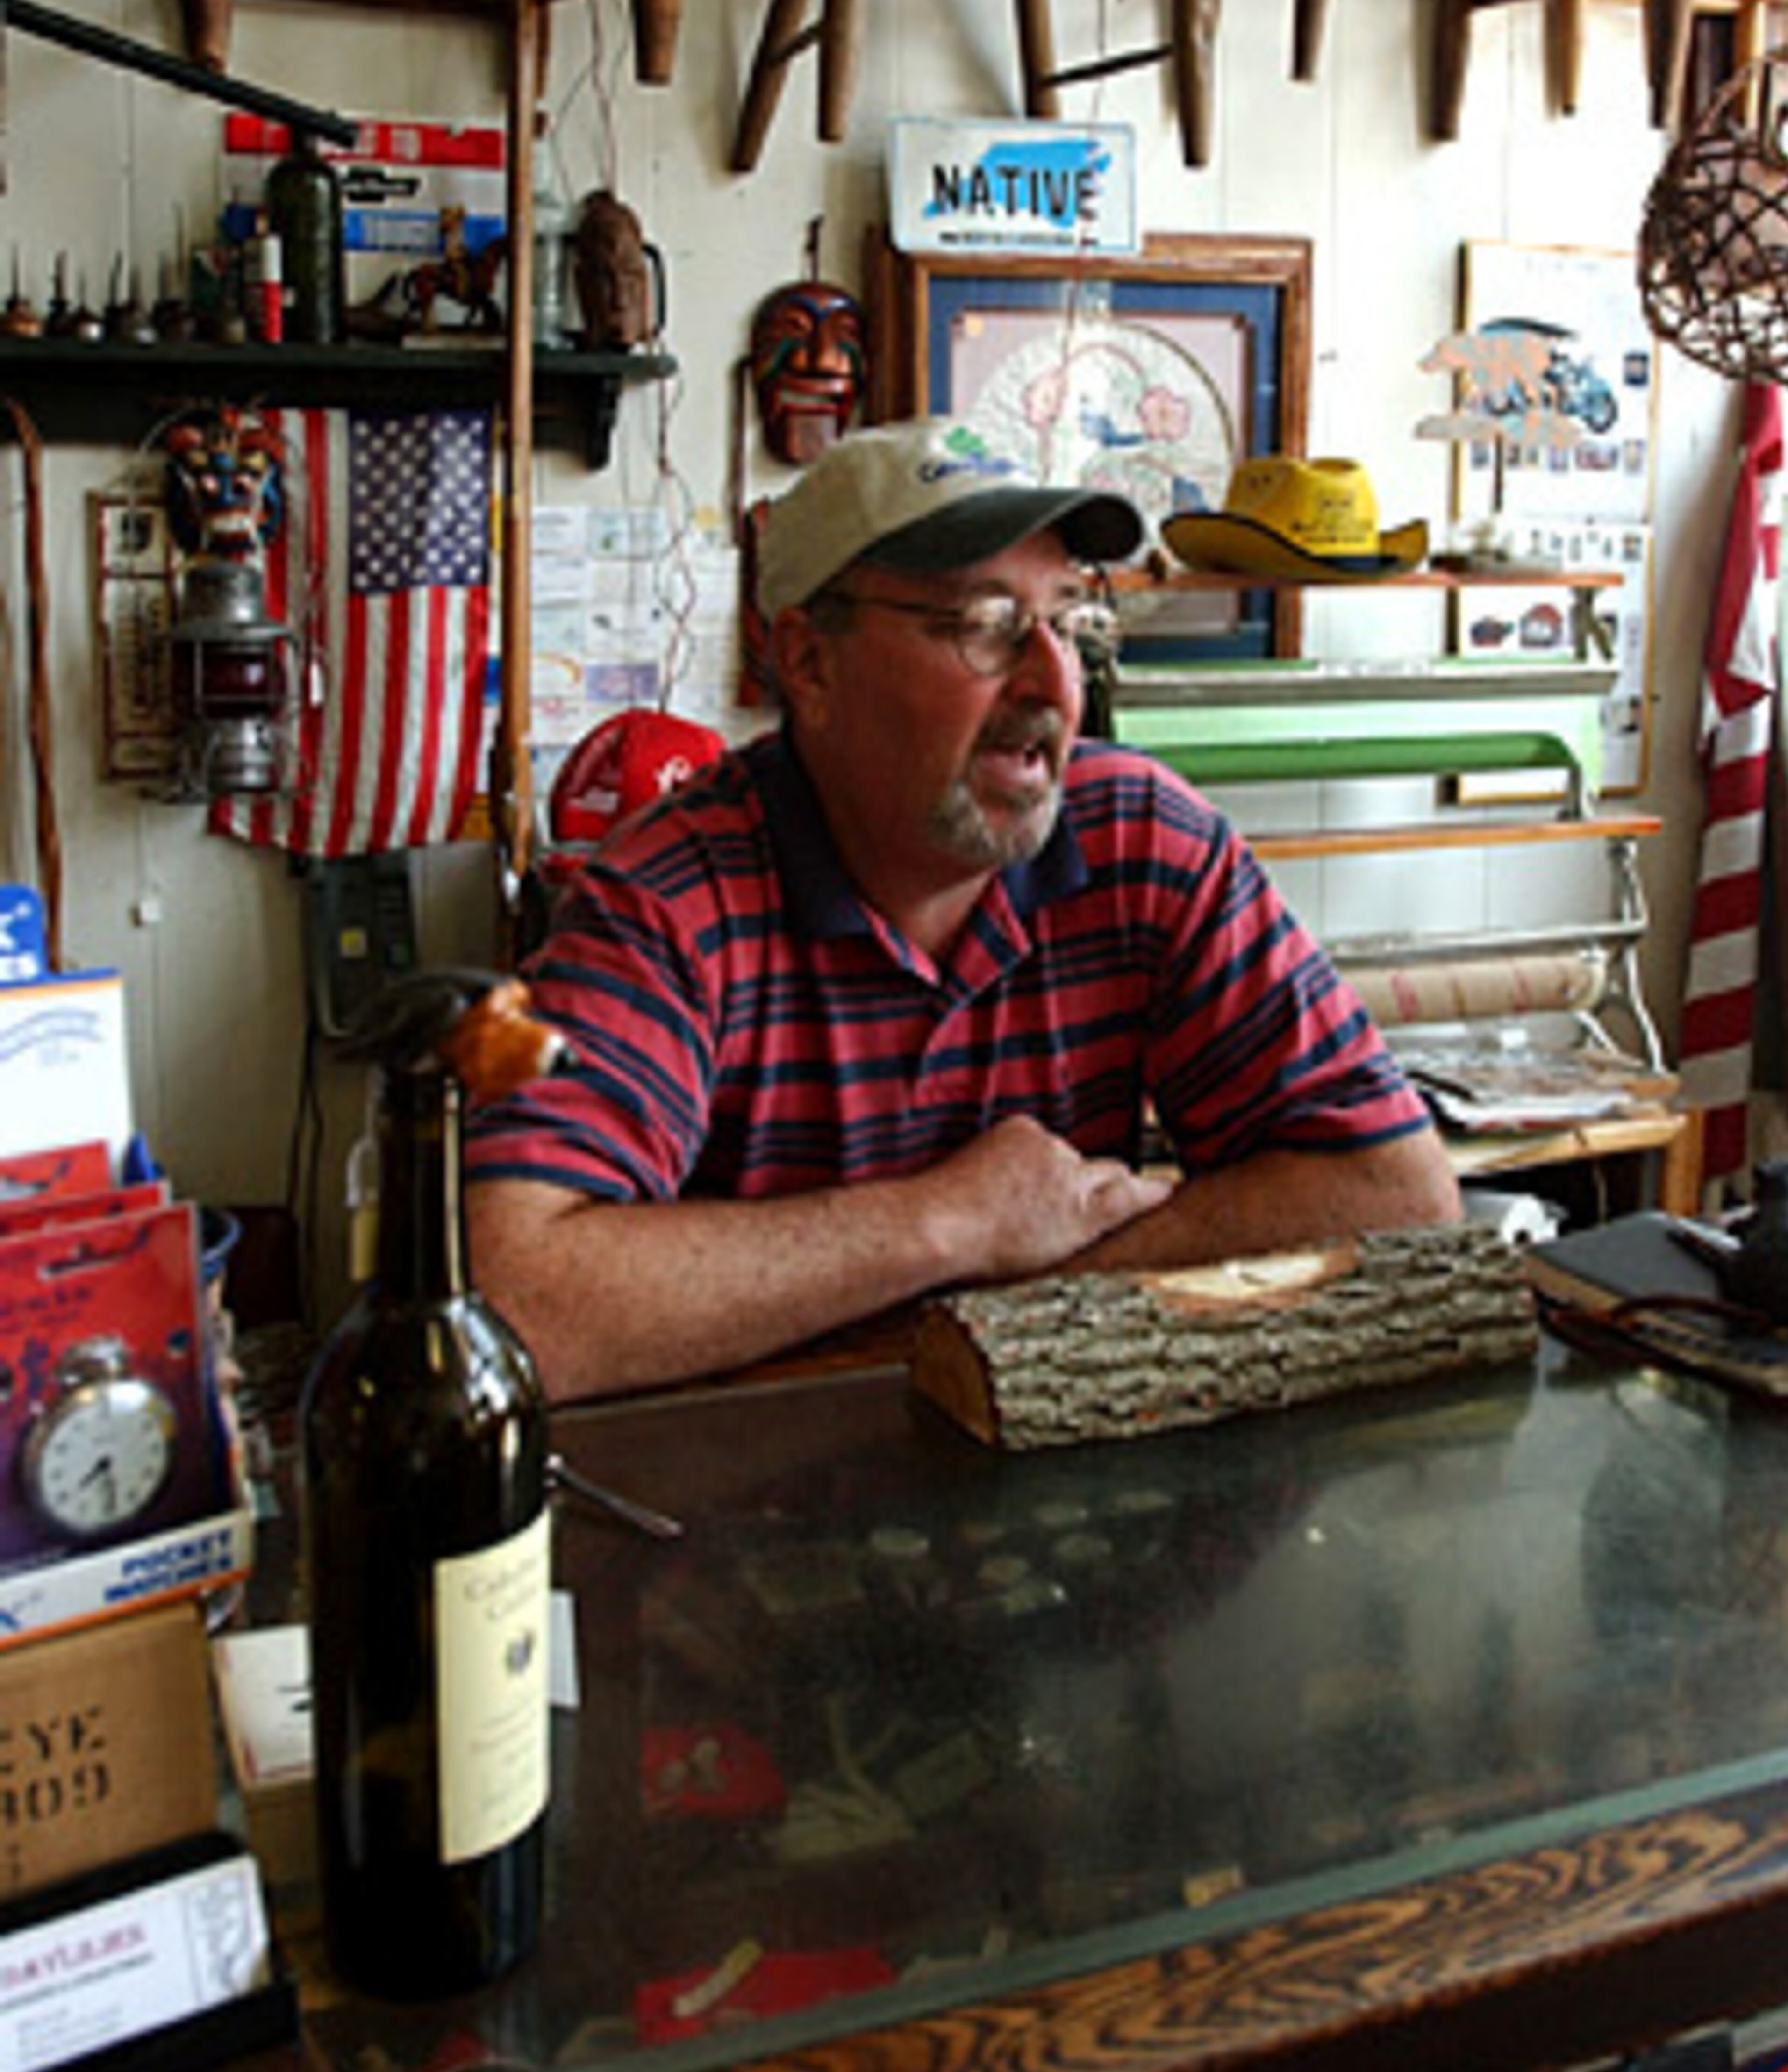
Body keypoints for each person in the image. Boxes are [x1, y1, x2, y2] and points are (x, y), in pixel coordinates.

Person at [465, 417, 1460, 1401]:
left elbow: (1398, 1196)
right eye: (984, 624)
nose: (1055, 684)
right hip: (752, 1518)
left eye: (1070, 620)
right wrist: (953, 1222)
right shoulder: (670, 902)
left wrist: (1000, 1311)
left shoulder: (1144, 843)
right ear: (810, 664)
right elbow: (518, 1305)